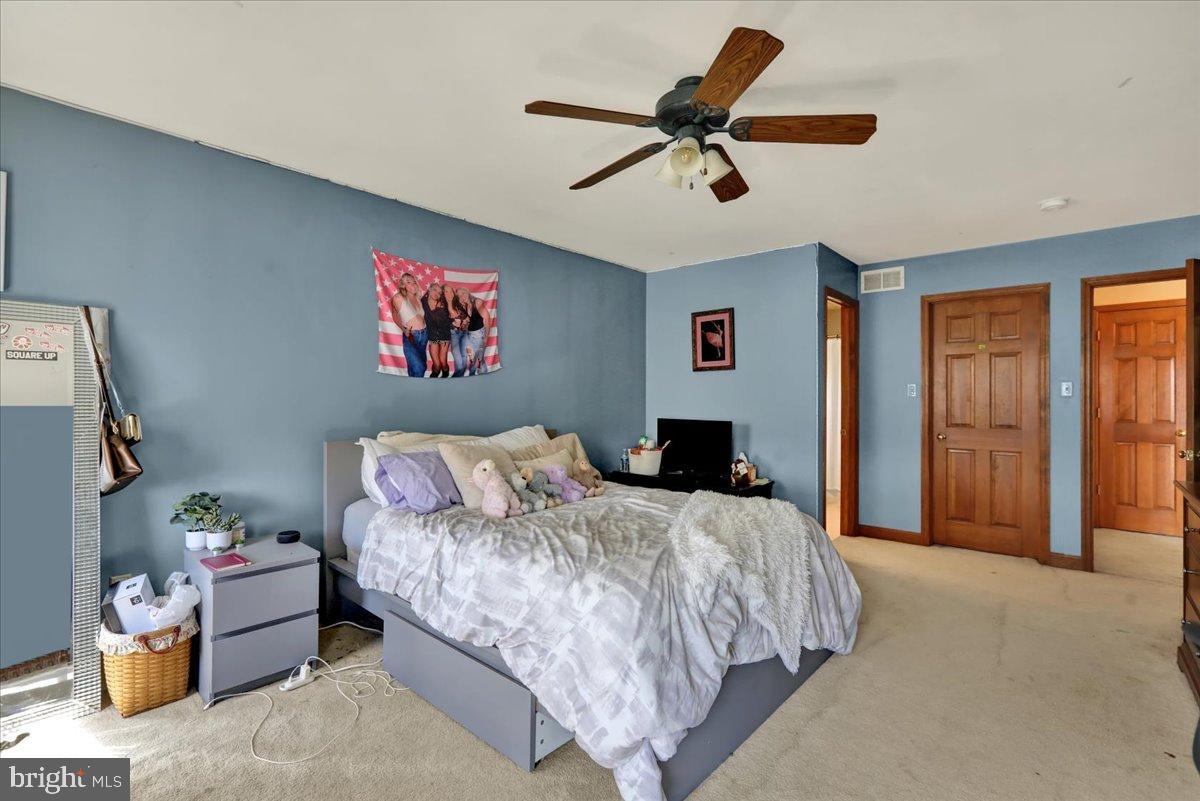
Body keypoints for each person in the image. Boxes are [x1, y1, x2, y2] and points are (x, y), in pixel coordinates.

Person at [389, 272, 428, 377]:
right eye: (408, 282)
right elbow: (395, 315)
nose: (413, 284)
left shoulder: (417, 298)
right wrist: (403, 329)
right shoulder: (398, 298)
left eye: (414, 282)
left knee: (421, 367)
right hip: (411, 335)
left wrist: (414, 281)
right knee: (419, 369)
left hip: (424, 335)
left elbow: (417, 287)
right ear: (403, 285)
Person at [450, 286, 492, 376]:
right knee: (472, 358)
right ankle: (474, 374)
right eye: (459, 296)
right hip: (470, 335)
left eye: (463, 293)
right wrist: (462, 325)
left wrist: (485, 338)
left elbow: (487, 320)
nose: (462, 296)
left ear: (468, 291)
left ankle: (483, 375)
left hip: (478, 335)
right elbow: (470, 321)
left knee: (479, 360)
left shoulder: (477, 302)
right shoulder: (465, 305)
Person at [423, 282, 452, 378]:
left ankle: (445, 373)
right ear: (429, 289)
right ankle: (433, 379)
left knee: (443, 362)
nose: (437, 293)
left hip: (444, 335)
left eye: (439, 293)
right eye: (435, 290)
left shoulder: (444, 303)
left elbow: (452, 316)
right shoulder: (422, 301)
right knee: (436, 364)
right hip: (432, 336)